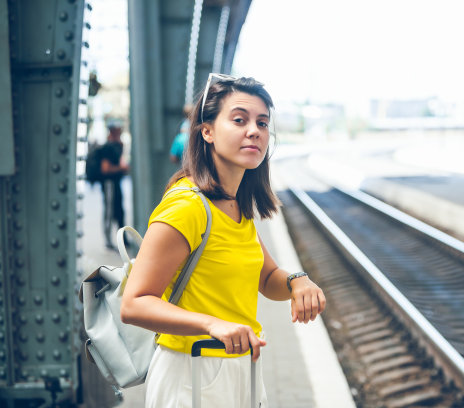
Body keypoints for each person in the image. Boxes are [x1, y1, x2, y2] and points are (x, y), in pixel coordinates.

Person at [120, 75, 326, 407]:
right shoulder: (187, 206)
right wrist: (212, 324)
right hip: (191, 371)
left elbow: (266, 277)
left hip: (242, 367)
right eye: (239, 119)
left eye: (262, 123)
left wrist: (297, 282)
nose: (254, 131)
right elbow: (134, 303)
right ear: (208, 131)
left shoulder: (236, 205)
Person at [100, 121, 130, 249]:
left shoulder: (117, 146)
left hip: (116, 183)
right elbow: (105, 169)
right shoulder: (107, 148)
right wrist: (120, 168)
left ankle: (123, 239)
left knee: (120, 211)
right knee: (109, 211)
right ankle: (107, 240)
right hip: (109, 183)